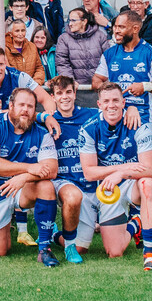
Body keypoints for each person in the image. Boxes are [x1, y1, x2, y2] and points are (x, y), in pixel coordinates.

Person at [78, 83, 152, 270]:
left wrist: (122, 173)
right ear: (99, 104)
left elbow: (150, 169)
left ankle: (150, 253)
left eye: (116, 100)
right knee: (114, 252)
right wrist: (120, 170)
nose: (111, 105)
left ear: (124, 102)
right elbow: (89, 172)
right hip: (109, 188)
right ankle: (135, 224)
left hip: (132, 183)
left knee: (148, 183)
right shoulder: (89, 128)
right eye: (106, 101)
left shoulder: (140, 124)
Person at [0, 88, 60, 266]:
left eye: (30, 106)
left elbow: (51, 170)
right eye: (21, 105)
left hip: (23, 188)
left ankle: (45, 248)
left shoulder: (42, 133)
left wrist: (23, 178)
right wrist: (31, 168)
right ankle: (6, 228)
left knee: (46, 186)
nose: (25, 110)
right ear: (11, 106)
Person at [48, 76, 100, 263]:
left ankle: (55, 235)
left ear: (75, 93)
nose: (65, 97)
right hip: (65, 183)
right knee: (71, 196)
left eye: (68, 92)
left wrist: (132, 109)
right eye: (59, 93)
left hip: (92, 185)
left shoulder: (92, 115)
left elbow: (115, 111)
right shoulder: (48, 122)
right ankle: (66, 243)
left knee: (84, 249)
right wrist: (42, 116)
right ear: (53, 97)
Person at [92, 11, 152, 124]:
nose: (116, 31)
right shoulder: (109, 53)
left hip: (141, 118)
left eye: (121, 27)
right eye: (115, 26)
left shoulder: (150, 54)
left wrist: (145, 86)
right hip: (113, 116)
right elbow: (96, 81)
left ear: (135, 29)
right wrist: (112, 92)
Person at [55, 9, 110, 85]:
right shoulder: (64, 39)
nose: (70, 24)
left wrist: (102, 80)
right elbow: (62, 63)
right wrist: (71, 82)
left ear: (84, 21)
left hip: (99, 86)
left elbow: (108, 60)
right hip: (77, 88)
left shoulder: (100, 36)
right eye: (69, 20)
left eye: (73, 20)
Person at [4, 19, 46, 84]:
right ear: (11, 34)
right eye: (17, 31)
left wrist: (34, 84)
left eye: (23, 30)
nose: (20, 34)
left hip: (31, 88)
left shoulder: (32, 46)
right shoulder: (4, 49)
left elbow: (39, 68)